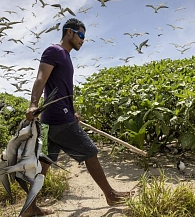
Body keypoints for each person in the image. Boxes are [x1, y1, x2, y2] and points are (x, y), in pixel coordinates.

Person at [25, 18, 133, 217]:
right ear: (69, 33)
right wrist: (33, 104)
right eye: (81, 35)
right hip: (58, 118)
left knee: (45, 164)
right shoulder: (54, 51)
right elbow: (41, 77)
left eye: (84, 37)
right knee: (90, 151)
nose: (83, 40)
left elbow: (63, 89)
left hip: (52, 120)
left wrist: (72, 110)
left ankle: (30, 207)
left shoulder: (66, 57)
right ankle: (110, 195)